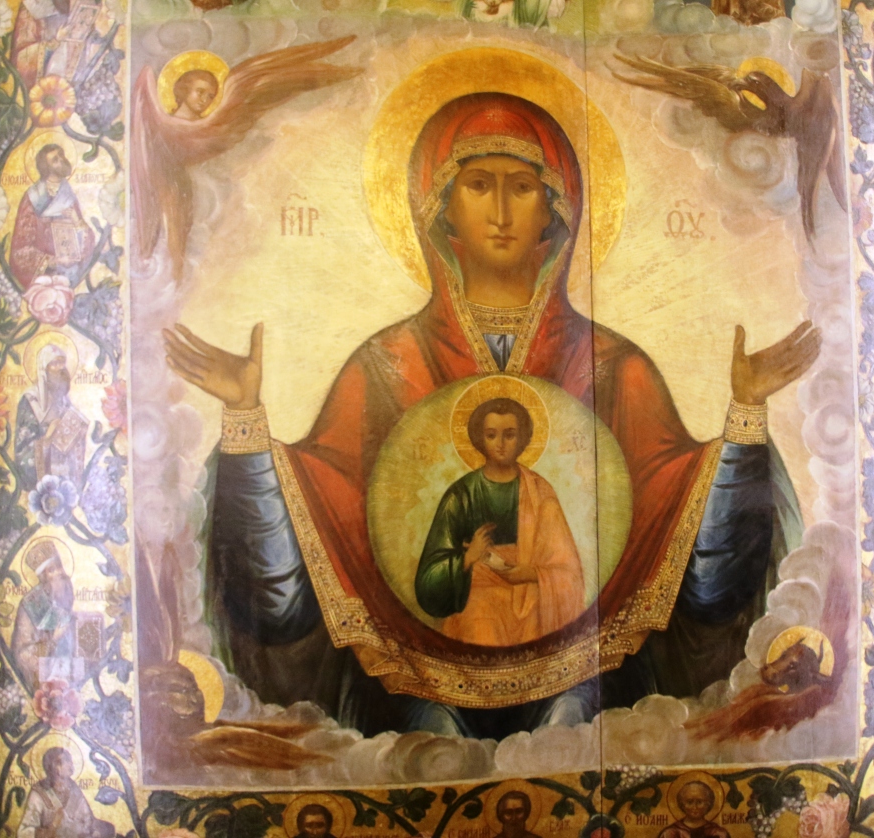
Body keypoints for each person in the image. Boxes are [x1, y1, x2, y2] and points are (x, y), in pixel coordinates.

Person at [164, 92, 818, 739]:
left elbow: (700, 572)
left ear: (555, 208)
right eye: (478, 185)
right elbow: (297, 566)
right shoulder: (385, 366)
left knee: (571, 731)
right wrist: (245, 420)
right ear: (439, 206)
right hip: (416, 676)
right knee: (426, 742)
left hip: (583, 674)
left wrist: (746, 415)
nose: (501, 212)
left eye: (522, 187)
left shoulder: (616, 369)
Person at [417, 398, 586, 646]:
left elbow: (569, 572)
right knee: (480, 616)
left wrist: (529, 574)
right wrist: (468, 558)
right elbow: (428, 579)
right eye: (491, 435)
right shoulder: (460, 495)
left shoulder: (539, 491)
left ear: (522, 438)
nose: (500, 444)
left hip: (528, 592)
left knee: (536, 620)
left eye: (509, 435)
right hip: (478, 594)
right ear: (479, 439)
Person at [10, 144, 97, 289]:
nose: (61, 160)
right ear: (46, 167)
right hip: (42, 278)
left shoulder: (68, 196)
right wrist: (52, 261)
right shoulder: (33, 197)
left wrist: (77, 221)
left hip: (69, 275)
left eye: (61, 155)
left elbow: (87, 243)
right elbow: (20, 249)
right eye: (55, 159)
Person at [15, 343, 89, 489]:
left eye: (62, 363)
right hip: (42, 468)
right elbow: (23, 443)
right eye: (54, 364)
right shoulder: (30, 399)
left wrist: (77, 430)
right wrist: (47, 435)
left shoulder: (63, 398)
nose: (60, 368)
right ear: (44, 368)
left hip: (63, 467)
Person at [11, 541, 81, 690]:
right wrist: (53, 639)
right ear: (43, 577)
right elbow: (22, 654)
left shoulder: (66, 595)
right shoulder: (29, 605)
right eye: (51, 570)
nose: (59, 573)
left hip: (72, 675)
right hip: (45, 682)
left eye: (59, 567)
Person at [17, 747, 114, 838]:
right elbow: (23, 832)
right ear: (55, 767)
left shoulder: (74, 790)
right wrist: (52, 827)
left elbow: (89, 821)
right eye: (66, 761)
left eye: (70, 760)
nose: (71, 765)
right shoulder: (39, 793)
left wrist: (95, 831)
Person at [657, 782, 728, 838]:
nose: (695, 807)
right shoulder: (670, 833)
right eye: (689, 802)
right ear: (682, 804)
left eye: (699, 802)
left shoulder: (719, 833)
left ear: (708, 804)